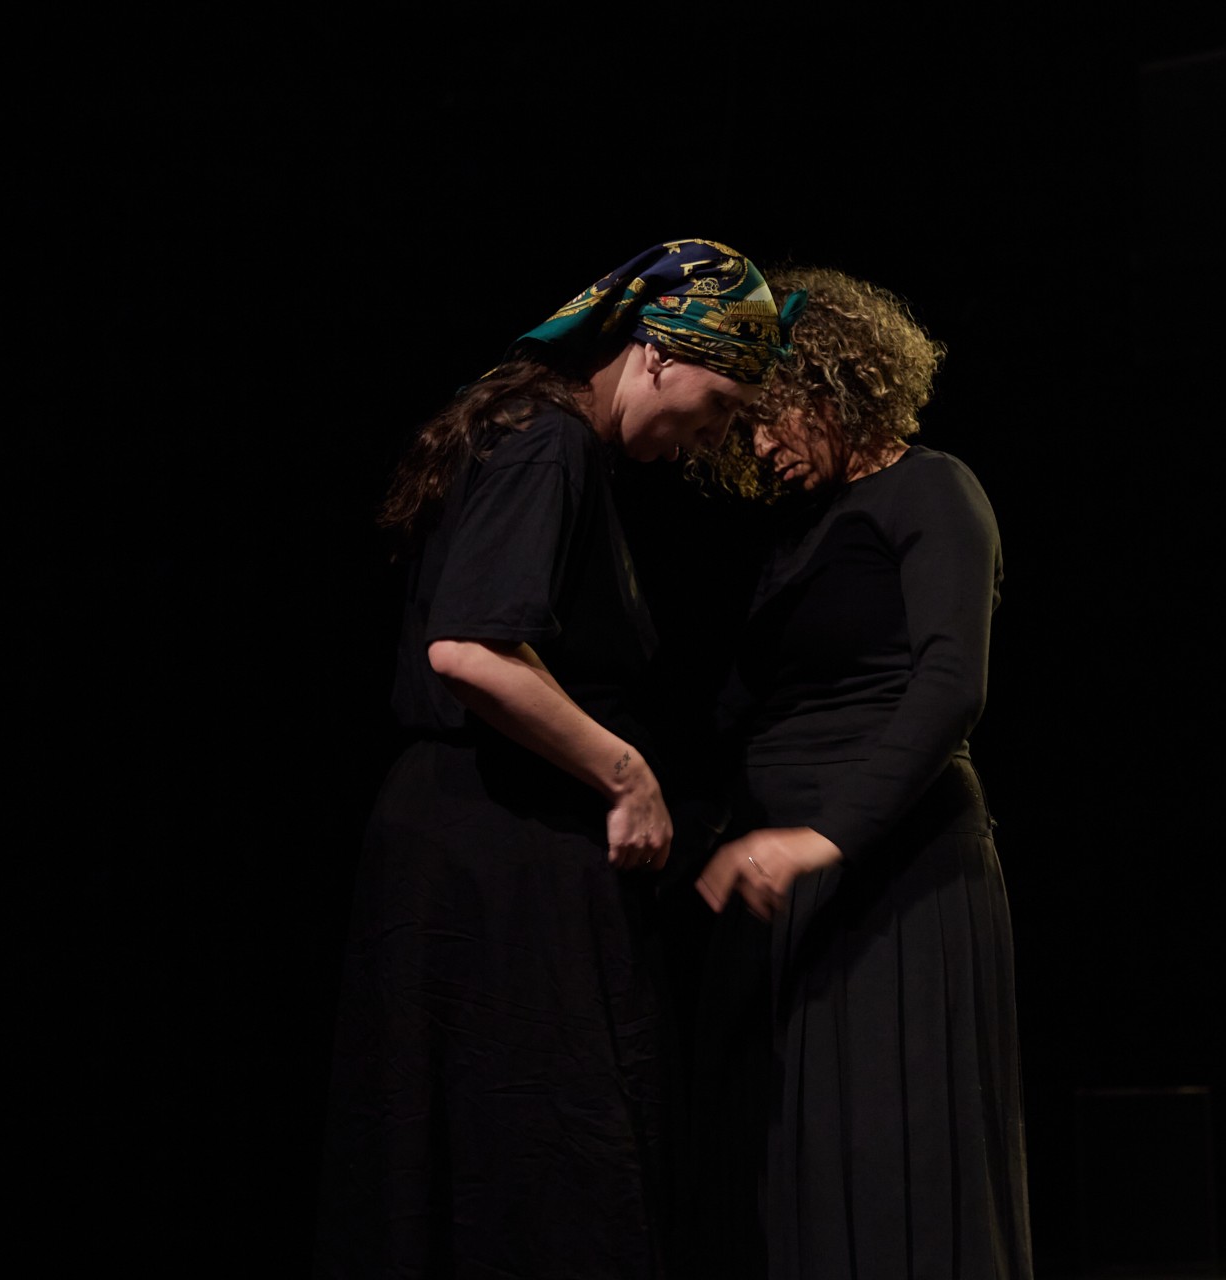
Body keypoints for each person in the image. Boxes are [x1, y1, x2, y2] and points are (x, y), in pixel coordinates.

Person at [315, 239, 803, 1279]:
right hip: (494, 846)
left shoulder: (545, 441)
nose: (714, 435)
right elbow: (470, 649)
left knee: (493, 1157)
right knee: (543, 1152)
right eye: (719, 404)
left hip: (475, 842)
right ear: (659, 352)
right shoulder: (552, 444)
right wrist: (629, 775)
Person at [692, 266, 1033, 1278]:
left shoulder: (934, 489)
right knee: (792, 1166)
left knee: (893, 1155)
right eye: (745, 426)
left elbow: (949, 685)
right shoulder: (795, 532)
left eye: (772, 418)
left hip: (896, 871)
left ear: (831, 385)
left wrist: (824, 835)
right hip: (788, 883)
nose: (760, 446)